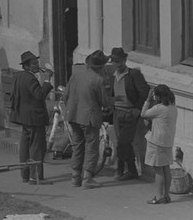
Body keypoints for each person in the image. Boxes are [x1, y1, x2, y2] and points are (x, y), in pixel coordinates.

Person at [64, 50, 111, 189]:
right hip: (89, 118)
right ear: (101, 67)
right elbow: (105, 102)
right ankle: (87, 179)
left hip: (73, 116)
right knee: (91, 148)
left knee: (77, 146)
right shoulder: (98, 80)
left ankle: (75, 177)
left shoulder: (75, 76)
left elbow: (66, 95)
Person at [10, 51, 54, 184]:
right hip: (34, 117)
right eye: (34, 64)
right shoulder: (30, 78)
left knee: (25, 147)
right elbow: (40, 95)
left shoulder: (19, 76)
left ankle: (25, 175)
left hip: (24, 117)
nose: (37, 66)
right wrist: (47, 80)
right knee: (36, 148)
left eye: (37, 63)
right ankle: (35, 177)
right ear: (27, 66)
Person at [108, 47, 150, 181]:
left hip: (130, 113)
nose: (118, 64)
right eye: (115, 62)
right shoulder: (112, 76)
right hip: (117, 112)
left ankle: (131, 170)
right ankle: (121, 170)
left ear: (125, 60)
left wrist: (137, 108)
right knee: (121, 143)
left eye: (120, 61)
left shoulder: (133, 75)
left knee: (123, 143)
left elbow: (144, 91)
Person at [141, 84, 178, 204]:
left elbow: (144, 114)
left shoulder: (159, 108)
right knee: (166, 168)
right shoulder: (173, 108)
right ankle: (166, 195)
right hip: (168, 142)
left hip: (156, 141)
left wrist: (147, 100)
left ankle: (158, 196)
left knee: (158, 170)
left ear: (158, 96)